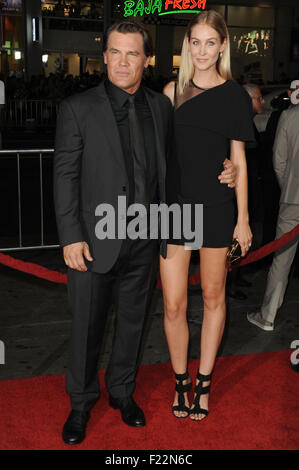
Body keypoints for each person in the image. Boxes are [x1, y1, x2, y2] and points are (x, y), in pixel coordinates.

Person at [53, 19, 238, 444]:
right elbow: (64, 175)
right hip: (94, 238)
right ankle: (80, 404)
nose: (122, 61)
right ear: (104, 57)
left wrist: (226, 169)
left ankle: (122, 392)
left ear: (147, 59)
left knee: (134, 325)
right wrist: (70, 236)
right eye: (115, 52)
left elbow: (187, 154)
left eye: (132, 53)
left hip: (148, 235)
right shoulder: (78, 108)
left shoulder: (160, 106)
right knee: (86, 328)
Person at [162, 10, 255, 421]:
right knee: (173, 305)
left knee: (215, 298)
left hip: (218, 209)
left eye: (209, 43)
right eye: (195, 42)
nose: (202, 51)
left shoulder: (235, 96)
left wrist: (243, 218)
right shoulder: (170, 92)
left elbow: (239, 160)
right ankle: (180, 379)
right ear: (187, 46)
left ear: (222, 46)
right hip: (174, 209)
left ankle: (203, 381)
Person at [247, 81, 299, 331]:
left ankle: (267, 316)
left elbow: (279, 160)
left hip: (293, 199)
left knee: (282, 258)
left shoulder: (289, 117)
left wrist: (287, 186)